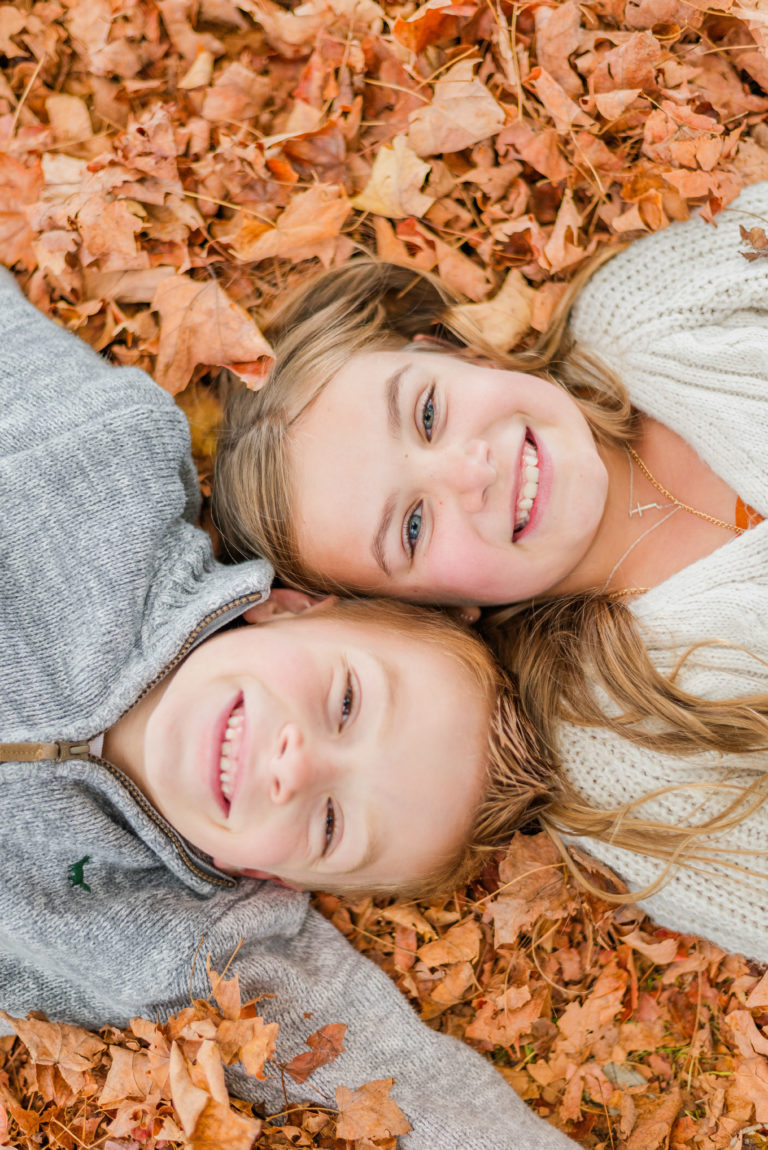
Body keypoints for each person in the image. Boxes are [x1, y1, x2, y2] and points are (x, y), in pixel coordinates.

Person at [0, 267, 581, 1150]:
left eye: (331, 823)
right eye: (345, 701)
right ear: (291, 605)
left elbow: (414, 1089)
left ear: (285, 882)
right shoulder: (106, 464)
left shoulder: (197, 945)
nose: (296, 764)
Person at [214, 179, 768, 963]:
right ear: (431, 611)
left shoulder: (647, 316)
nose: (469, 473)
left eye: (428, 413)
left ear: (450, 353)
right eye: (411, 526)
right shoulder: (616, 745)